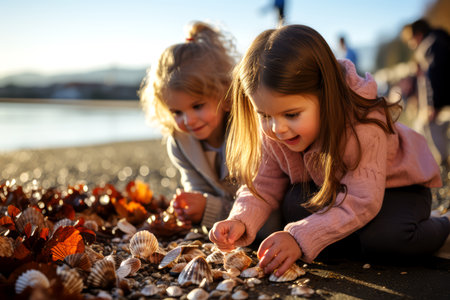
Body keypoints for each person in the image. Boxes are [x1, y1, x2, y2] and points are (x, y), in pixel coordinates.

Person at [209, 24, 450, 277]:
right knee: (293, 205)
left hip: (397, 189)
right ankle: (350, 236)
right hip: (336, 189)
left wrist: (299, 236)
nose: (277, 128)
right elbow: (263, 183)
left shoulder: (363, 124)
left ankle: (443, 224)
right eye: (264, 114)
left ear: (326, 95)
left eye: (291, 114)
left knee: (385, 240)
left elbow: (362, 201)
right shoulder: (274, 130)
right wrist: (239, 219)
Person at [138, 21, 239, 229]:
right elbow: (197, 190)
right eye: (177, 112)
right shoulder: (180, 141)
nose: (188, 120)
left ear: (226, 95)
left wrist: (208, 208)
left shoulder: (246, 134)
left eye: (198, 105)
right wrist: (191, 208)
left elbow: (264, 207)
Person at [402, 19, 450, 168]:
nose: (411, 45)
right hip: (445, 100)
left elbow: (433, 79)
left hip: (442, 102)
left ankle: (441, 164)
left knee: (428, 127)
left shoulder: (429, 47)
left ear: (418, 35)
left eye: (410, 40)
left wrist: (432, 105)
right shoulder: (441, 40)